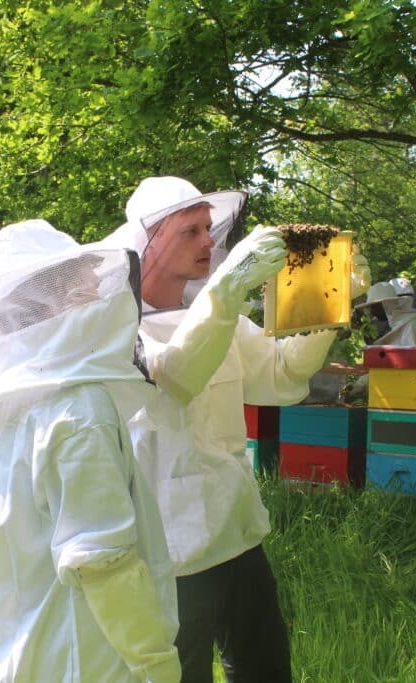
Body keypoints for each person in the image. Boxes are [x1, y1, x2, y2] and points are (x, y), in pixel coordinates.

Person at [103, 176, 369, 683]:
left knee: (264, 668)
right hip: (168, 546)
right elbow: (178, 376)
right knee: (181, 675)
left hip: (238, 529)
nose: (208, 241)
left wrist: (330, 307)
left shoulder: (218, 315)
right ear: (148, 240)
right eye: (191, 231)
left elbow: (284, 377)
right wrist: (225, 291)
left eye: (209, 228)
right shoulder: (118, 327)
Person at [0, 219, 181, 683]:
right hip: (91, 661)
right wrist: (156, 662)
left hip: (31, 654)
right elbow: (103, 562)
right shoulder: (78, 410)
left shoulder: (5, 404)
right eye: (86, 288)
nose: (99, 299)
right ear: (54, 304)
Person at [355, 281, 416, 346]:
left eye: (373, 307)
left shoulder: (412, 326)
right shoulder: (396, 324)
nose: (372, 312)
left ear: (385, 304)